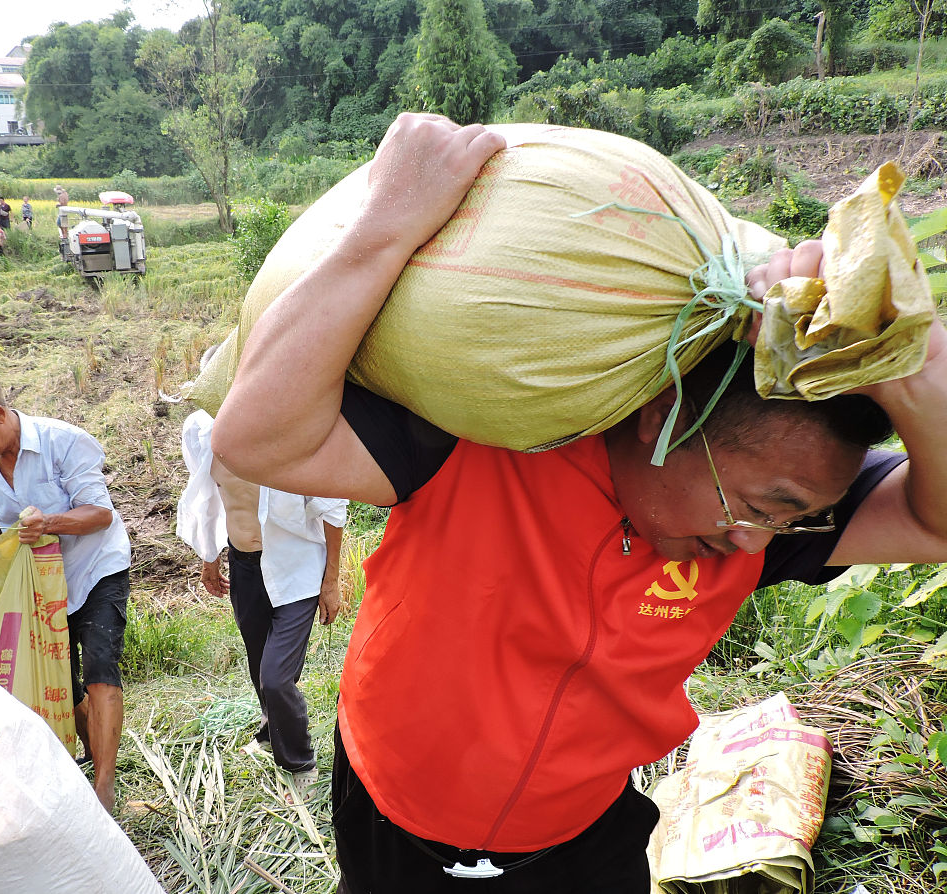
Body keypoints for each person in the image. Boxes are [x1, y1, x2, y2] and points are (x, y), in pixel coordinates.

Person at [211, 113, 947, 892]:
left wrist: (913, 378)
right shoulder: (495, 437)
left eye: (793, 520)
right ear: (668, 419)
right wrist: (383, 230)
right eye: (765, 506)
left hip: (580, 842)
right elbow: (259, 440)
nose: (758, 545)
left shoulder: (763, 528)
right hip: (392, 817)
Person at [0, 368, 132, 814]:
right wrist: (4, 568)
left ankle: (104, 785)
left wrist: (49, 524)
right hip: (39, 585)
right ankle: (86, 764)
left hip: (95, 570)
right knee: (64, 680)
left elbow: (100, 514)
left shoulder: (65, 442)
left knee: (100, 667)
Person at [177, 408, 346, 800]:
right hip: (246, 567)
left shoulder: (287, 437)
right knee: (258, 661)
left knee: (275, 675)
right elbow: (208, 497)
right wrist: (209, 557)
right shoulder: (205, 436)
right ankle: (272, 731)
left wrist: (331, 580)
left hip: (297, 568)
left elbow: (332, 507)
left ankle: (300, 761)